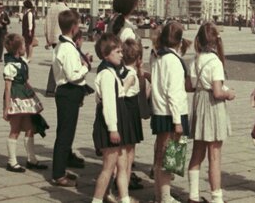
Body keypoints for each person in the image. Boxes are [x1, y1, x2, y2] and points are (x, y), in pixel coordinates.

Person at [187, 22, 236, 203]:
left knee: (197, 153)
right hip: (213, 106)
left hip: (199, 103)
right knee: (214, 155)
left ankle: (193, 195)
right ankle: (216, 197)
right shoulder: (215, 61)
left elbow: (190, 86)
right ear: (216, 41)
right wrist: (228, 93)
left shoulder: (195, 60)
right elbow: (217, 91)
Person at [91, 35, 143, 203]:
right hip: (111, 124)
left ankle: (125, 199)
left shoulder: (112, 72)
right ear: (106, 54)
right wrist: (113, 128)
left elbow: (119, 92)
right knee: (108, 167)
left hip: (117, 121)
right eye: (118, 52)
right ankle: (97, 200)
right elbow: (109, 104)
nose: (122, 55)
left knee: (122, 164)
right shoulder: (106, 74)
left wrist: (128, 82)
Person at [151, 21, 193, 203]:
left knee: (160, 156)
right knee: (171, 157)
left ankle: (160, 194)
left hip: (160, 112)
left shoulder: (158, 58)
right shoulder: (174, 62)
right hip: (172, 115)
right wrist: (177, 121)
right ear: (179, 40)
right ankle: (166, 197)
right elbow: (174, 93)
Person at [51, 9, 90, 187]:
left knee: (67, 131)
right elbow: (73, 75)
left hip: (68, 91)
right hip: (68, 91)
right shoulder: (67, 48)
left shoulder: (65, 45)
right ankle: (58, 174)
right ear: (74, 27)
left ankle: (62, 166)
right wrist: (85, 66)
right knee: (65, 134)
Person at [2, 33, 46, 173]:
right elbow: (8, 87)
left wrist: (33, 94)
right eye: (23, 46)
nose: (25, 48)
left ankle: (31, 159)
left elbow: (26, 80)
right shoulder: (10, 66)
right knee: (15, 129)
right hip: (16, 99)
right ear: (17, 49)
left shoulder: (22, 62)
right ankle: (12, 161)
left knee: (29, 128)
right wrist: (6, 106)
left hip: (26, 97)